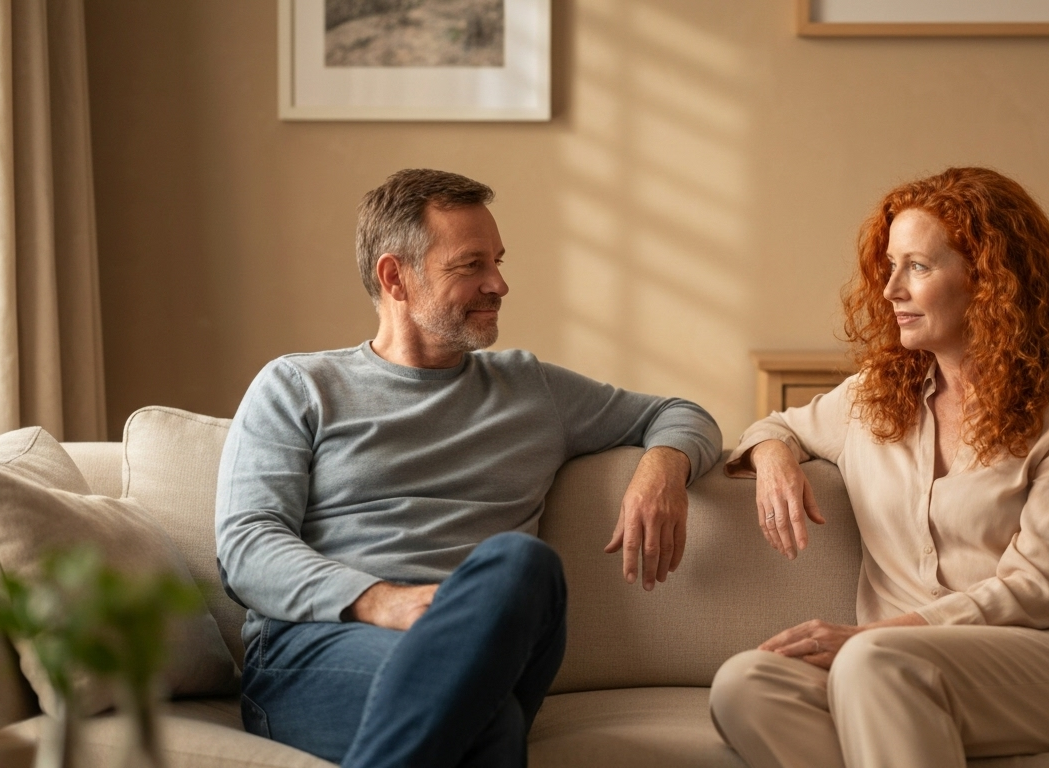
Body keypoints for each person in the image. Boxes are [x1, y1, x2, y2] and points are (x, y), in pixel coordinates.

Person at [215, 169, 721, 768]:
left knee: (522, 564)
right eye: (470, 265)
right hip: (318, 649)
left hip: (488, 649)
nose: (499, 284)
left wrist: (661, 467)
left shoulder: (532, 390)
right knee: (492, 729)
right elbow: (246, 547)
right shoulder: (298, 387)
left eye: (498, 261)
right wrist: (381, 601)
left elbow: (681, 413)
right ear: (394, 277)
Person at [709, 167, 1049, 767]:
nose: (890, 290)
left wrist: (879, 636)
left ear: (988, 281)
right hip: (893, 672)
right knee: (744, 684)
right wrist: (776, 456)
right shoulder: (875, 397)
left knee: (871, 663)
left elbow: (1038, 590)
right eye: (889, 266)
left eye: (917, 266)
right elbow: (773, 426)